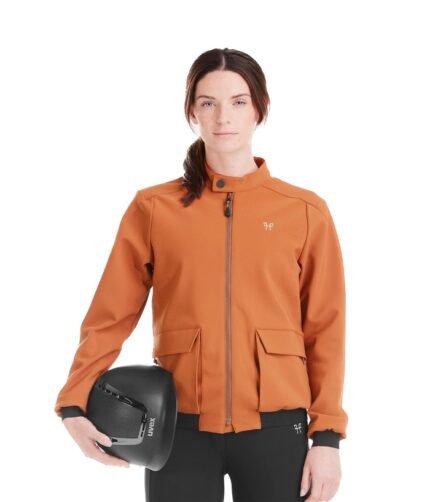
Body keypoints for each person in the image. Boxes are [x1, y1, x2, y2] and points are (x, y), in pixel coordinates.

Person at [55, 48, 348, 502]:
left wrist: (326, 436)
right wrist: (74, 400)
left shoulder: (305, 211)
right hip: (178, 429)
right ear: (192, 111)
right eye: (208, 103)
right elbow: (111, 313)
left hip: (277, 428)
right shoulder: (154, 209)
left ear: (260, 109)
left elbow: (325, 327)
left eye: (238, 102)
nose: (222, 116)